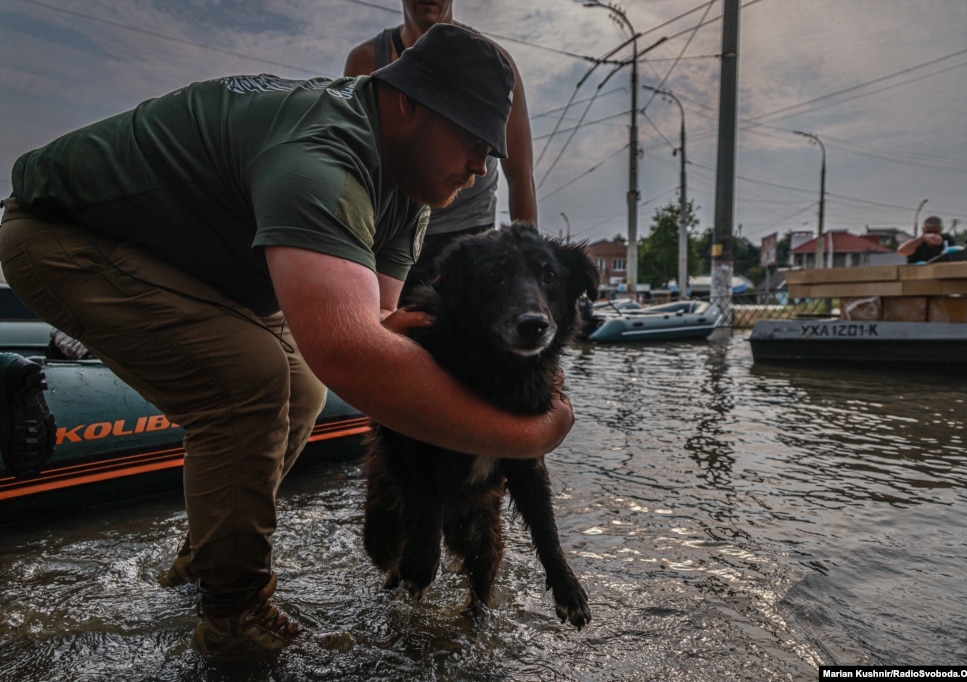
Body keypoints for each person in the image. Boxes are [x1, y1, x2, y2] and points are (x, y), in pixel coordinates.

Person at [0, 24, 573, 658]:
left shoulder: (407, 189)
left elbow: (377, 324)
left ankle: (207, 554)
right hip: (65, 235)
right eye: (470, 139)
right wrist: (530, 436)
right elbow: (353, 358)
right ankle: (232, 614)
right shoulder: (323, 158)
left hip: (196, 265)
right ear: (408, 103)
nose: (480, 166)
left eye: (490, 151)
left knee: (301, 387)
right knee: (252, 382)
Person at [343, 0, 537, 296]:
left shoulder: (495, 64)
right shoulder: (367, 61)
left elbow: (520, 176)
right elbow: (351, 168)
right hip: (386, 237)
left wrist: (530, 269)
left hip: (468, 237)